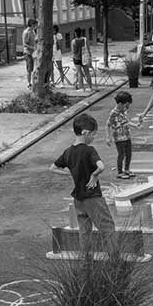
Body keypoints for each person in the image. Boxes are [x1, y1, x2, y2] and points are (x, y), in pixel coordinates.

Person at [50, 112, 115, 253]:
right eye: (93, 134)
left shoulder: (67, 152)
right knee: (108, 229)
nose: (94, 137)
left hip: (78, 200)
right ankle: (115, 264)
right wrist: (94, 175)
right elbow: (101, 167)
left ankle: (86, 264)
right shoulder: (89, 150)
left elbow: (53, 168)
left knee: (85, 233)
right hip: (93, 198)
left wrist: (69, 172)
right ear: (85, 133)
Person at [107, 91, 138, 179]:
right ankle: (120, 172)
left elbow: (126, 122)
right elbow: (109, 125)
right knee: (121, 154)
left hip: (127, 136)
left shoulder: (123, 111)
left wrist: (135, 125)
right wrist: (108, 137)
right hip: (119, 138)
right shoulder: (113, 113)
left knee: (129, 153)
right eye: (126, 105)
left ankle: (127, 169)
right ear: (120, 103)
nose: (127, 107)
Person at [71, 27, 93, 92]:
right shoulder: (85, 40)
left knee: (79, 73)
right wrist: (90, 57)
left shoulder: (73, 41)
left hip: (77, 58)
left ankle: (81, 88)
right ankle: (90, 87)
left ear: (75, 33)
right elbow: (88, 49)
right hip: (84, 58)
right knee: (87, 73)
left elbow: (73, 52)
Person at [22, 18, 37, 88]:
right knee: (29, 68)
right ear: (31, 24)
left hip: (33, 52)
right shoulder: (27, 32)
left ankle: (33, 82)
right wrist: (32, 47)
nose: (36, 26)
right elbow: (25, 44)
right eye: (35, 25)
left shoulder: (33, 31)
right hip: (28, 53)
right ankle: (29, 83)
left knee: (33, 68)